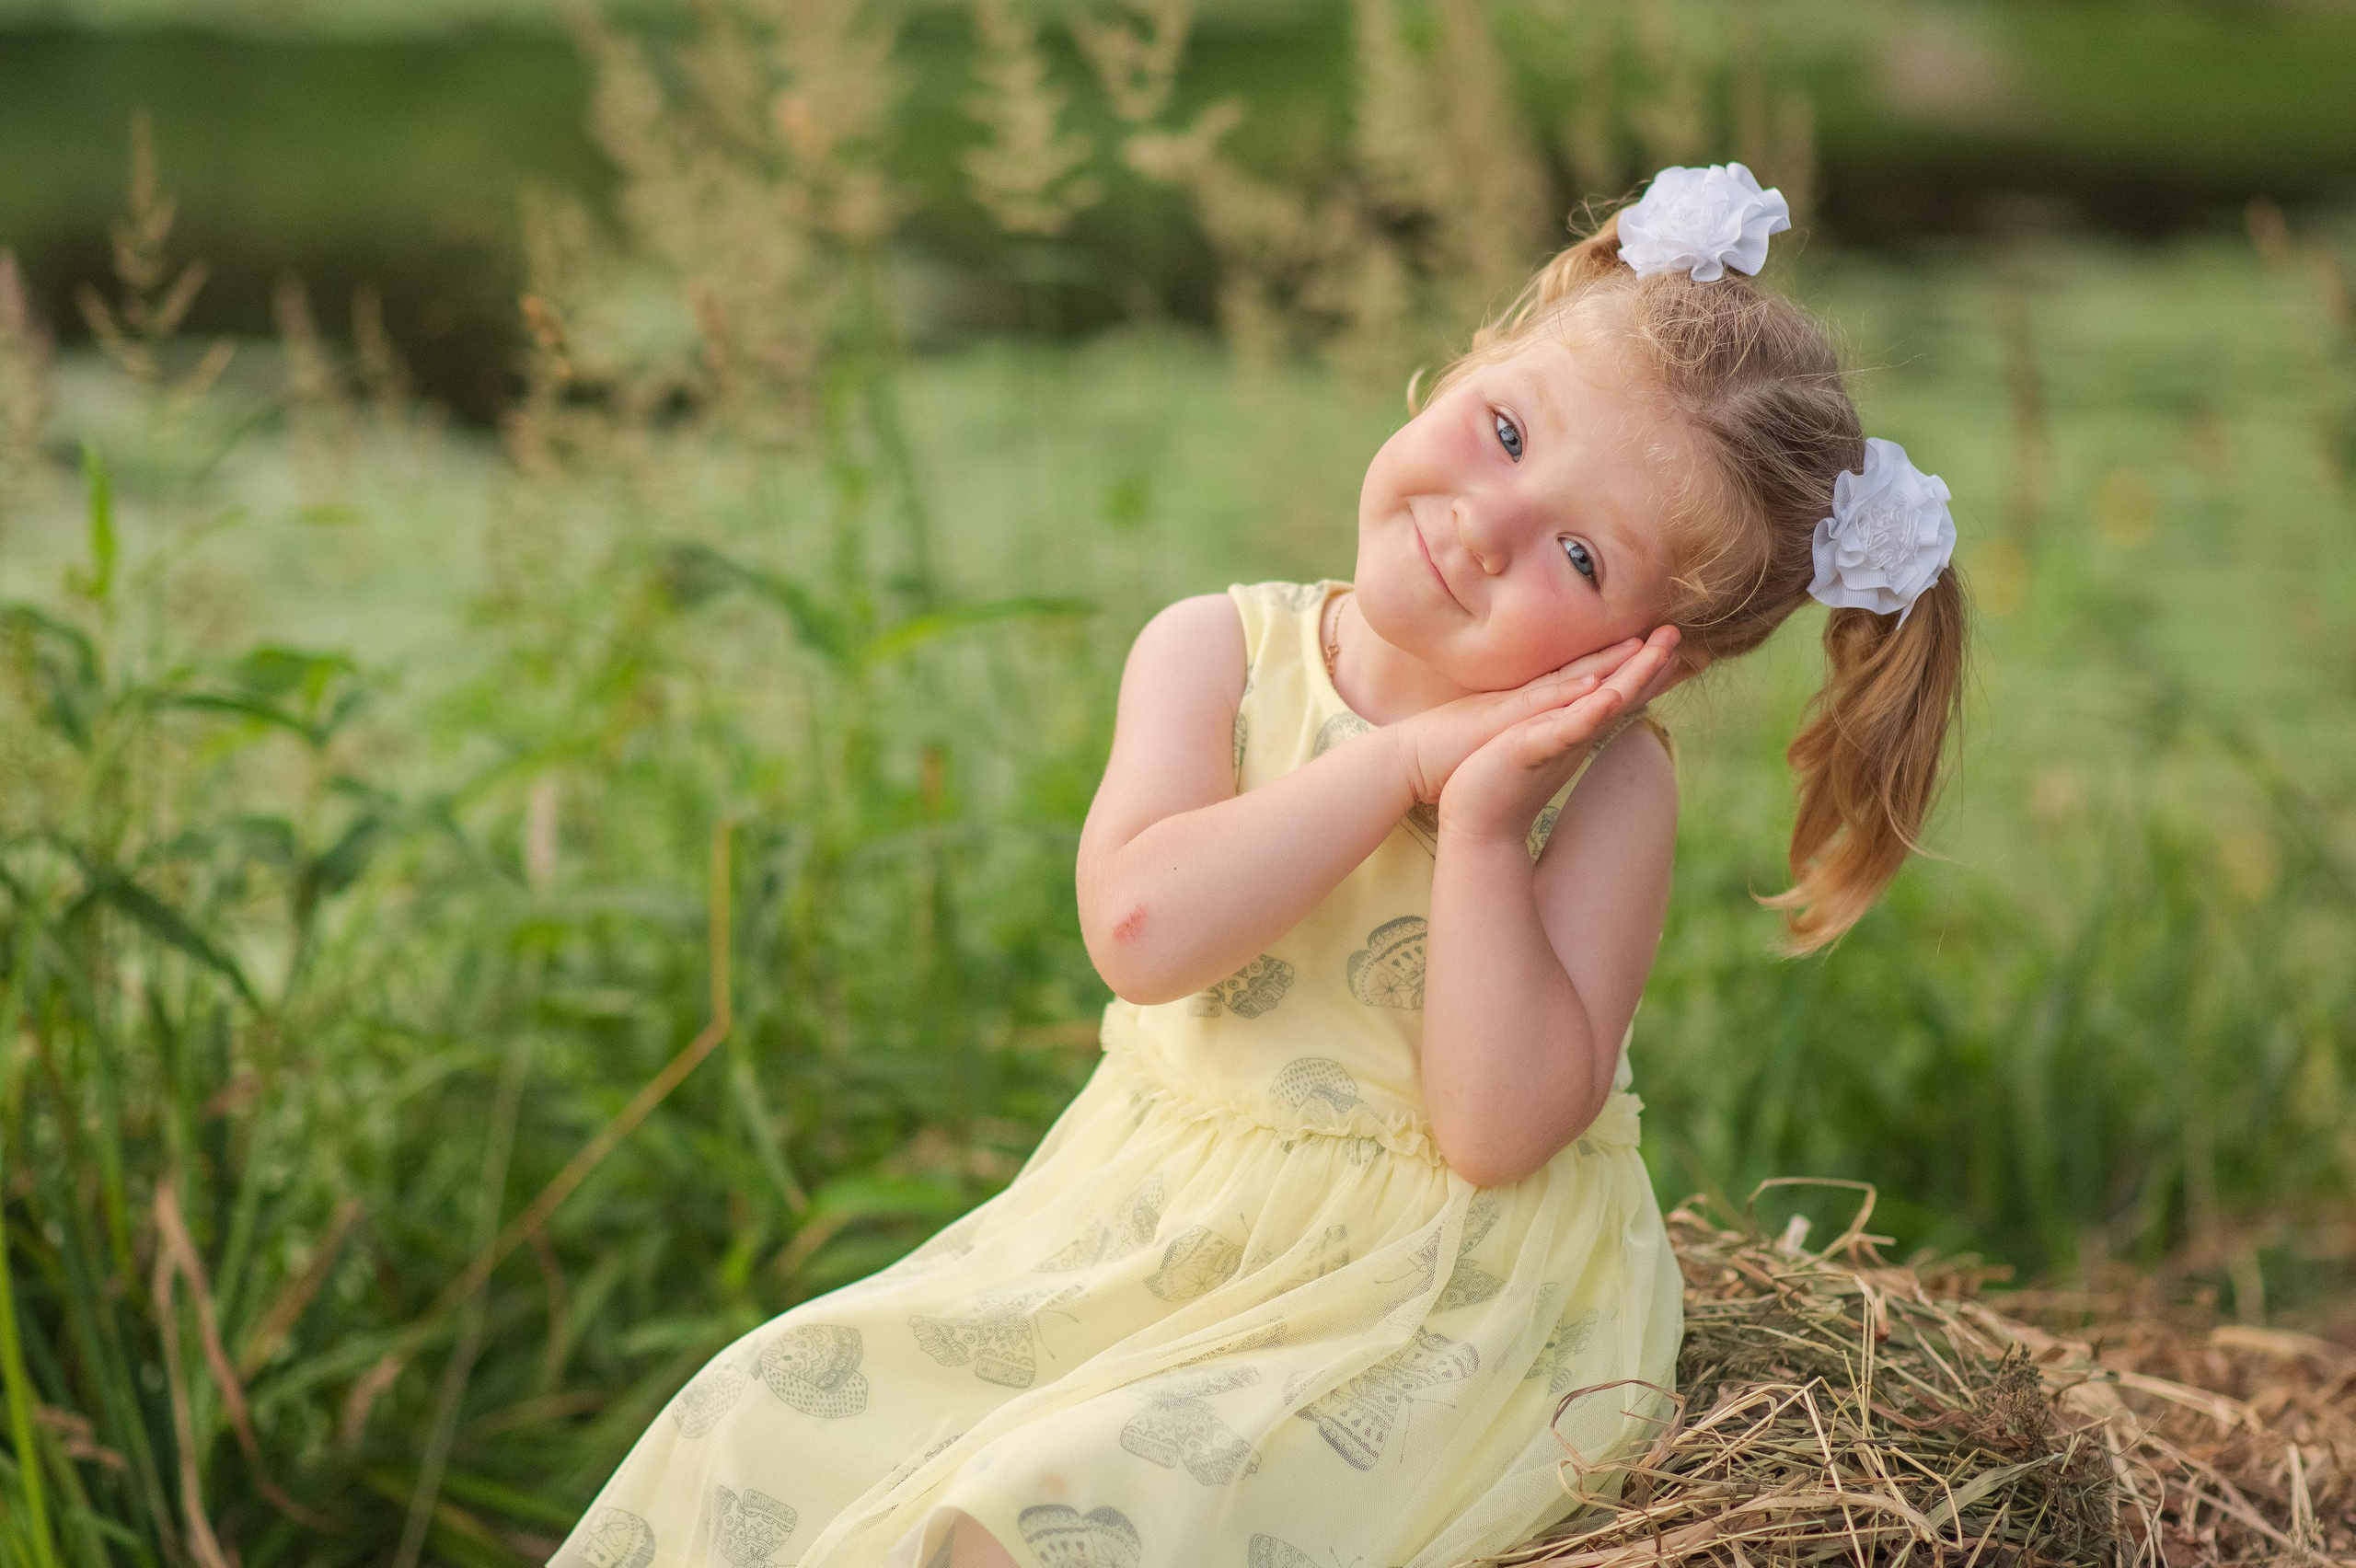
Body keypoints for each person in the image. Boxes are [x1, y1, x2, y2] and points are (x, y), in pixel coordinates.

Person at [549, 162, 1967, 1568]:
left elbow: (1498, 1129)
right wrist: (1395, 768)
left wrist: (1474, 825)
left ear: (1662, 652)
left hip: (1431, 1291)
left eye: (1583, 557)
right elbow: (1143, 931)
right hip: (1146, 1220)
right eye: (1508, 431)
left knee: (1045, 1513)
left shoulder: (1607, 787)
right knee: (758, 1414)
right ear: (1466, 364)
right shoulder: (1215, 653)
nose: (1487, 521)